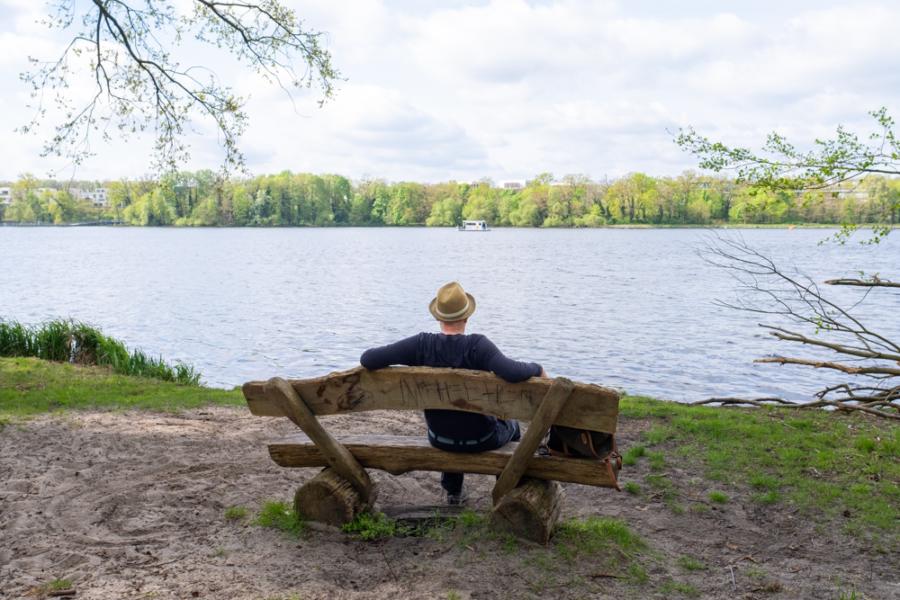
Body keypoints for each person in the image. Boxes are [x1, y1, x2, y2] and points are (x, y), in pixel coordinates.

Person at [360, 281, 547, 505]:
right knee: (513, 425)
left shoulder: (421, 345)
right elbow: (512, 371)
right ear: (467, 317)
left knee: (450, 418)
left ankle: (453, 492)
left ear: (439, 318)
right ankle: (505, 484)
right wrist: (537, 368)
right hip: (482, 439)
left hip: (440, 438)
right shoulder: (479, 346)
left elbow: (368, 359)